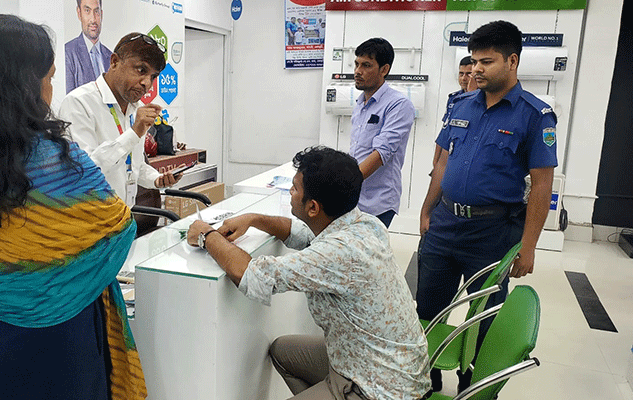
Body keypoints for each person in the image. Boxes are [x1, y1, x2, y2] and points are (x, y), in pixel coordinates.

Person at [0, 14, 147, 400]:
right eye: (50, 78)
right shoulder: (58, 161)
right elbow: (117, 232)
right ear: (23, 85)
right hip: (48, 341)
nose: (52, 90)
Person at [187, 146, 430, 400]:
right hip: (379, 363)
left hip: (383, 390)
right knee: (282, 351)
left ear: (313, 207)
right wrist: (253, 219)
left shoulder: (338, 253)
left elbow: (252, 276)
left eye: (294, 188)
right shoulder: (365, 224)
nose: (290, 193)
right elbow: (302, 234)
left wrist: (206, 236)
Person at [417, 20, 557, 393]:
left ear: (512, 61)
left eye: (487, 61)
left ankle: (473, 382)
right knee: (427, 309)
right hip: (445, 224)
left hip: (492, 233)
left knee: (485, 316)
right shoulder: (461, 104)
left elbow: (542, 185)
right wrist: (426, 210)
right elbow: (442, 163)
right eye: (475, 61)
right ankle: (425, 376)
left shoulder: (534, 115)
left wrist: (528, 247)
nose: (476, 69)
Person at [59, 32, 180, 213]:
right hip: (89, 223)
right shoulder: (79, 103)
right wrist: (133, 133)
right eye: (141, 70)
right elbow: (85, 171)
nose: (147, 83)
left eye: (153, 76)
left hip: (123, 218)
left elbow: (132, 167)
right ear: (114, 62)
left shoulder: (135, 108)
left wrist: (156, 179)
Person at [351, 38, 415, 227]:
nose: (357, 71)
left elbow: (381, 153)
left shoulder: (399, 104)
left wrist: (345, 184)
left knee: (368, 254)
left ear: (384, 69)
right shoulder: (360, 103)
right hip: (354, 197)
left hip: (378, 201)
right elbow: (356, 150)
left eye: (366, 65)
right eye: (356, 64)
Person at [433, 55, 474, 169]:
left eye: (468, 74)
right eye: (461, 74)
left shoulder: (485, 99)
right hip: (451, 154)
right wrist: (436, 162)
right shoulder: (454, 99)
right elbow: (445, 130)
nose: (464, 78)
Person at [65, 0, 112, 93]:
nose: (93, 19)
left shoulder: (111, 56)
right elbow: (68, 101)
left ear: (101, 14)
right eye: (87, 11)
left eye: (96, 11)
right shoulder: (67, 52)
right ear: (79, 13)